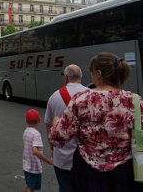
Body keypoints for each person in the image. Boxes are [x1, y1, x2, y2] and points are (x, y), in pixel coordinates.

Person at [49, 52, 143, 192]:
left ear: (98, 73)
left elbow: (57, 138)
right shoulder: (134, 101)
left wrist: (56, 123)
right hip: (126, 175)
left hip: (87, 175)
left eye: (92, 72)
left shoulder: (81, 100)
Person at [44, 64, 88, 192]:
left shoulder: (55, 96)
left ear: (66, 77)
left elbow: (48, 125)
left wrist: (52, 148)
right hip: (86, 158)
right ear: (81, 77)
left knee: (65, 187)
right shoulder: (91, 95)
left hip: (62, 158)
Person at [23, 108, 53, 192]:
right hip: (34, 167)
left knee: (28, 185)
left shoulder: (26, 131)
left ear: (26, 120)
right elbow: (35, 151)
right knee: (30, 188)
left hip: (26, 165)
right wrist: (48, 160)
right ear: (39, 120)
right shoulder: (36, 134)